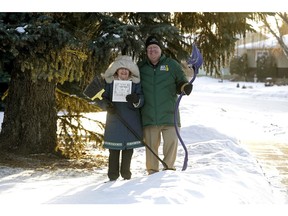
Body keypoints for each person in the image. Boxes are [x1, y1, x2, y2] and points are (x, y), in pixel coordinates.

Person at [138, 35, 193, 175]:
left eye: (155, 48)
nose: (152, 51)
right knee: (151, 147)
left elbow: (181, 81)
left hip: (169, 114)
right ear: (146, 51)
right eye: (149, 48)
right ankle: (152, 172)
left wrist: (185, 87)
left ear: (161, 50)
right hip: (149, 115)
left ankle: (168, 170)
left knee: (171, 143)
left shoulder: (171, 65)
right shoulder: (140, 67)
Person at [101, 55, 145, 181]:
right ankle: (112, 175)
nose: (124, 71)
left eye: (126, 69)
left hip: (131, 120)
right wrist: (107, 105)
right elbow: (101, 98)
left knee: (128, 150)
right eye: (121, 69)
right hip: (114, 119)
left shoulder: (135, 84)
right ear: (116, 71)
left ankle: (126, 174)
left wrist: (137, 99)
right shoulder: (109, 83)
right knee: (114, 150)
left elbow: (142, 99)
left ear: (130, 71)